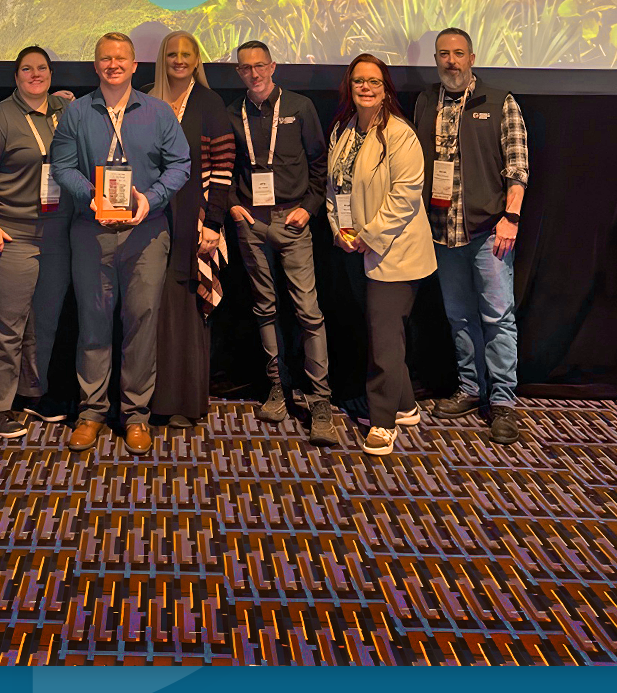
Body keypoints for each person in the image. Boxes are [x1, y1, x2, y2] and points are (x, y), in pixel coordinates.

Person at [50, 32, 191, 455]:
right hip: (91, 231)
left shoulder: (158, 112)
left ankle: (136, 416)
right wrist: (89, 194)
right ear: (96, 66)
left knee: (140, 324)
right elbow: (62, 165)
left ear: (134, 66)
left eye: (121, 58)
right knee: (92, 323)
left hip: (145, 234)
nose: (113, 64)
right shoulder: (76, 112)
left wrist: (152, 198)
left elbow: (180, 164)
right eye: (105, 58)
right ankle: (91, 412)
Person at [413, 28, 528, 445]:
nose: (451, 62)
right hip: (442, 235)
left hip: (487, 232)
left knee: (497, 318)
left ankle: (502, 402)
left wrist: (510, 217)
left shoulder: (500, 103)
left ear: (472, 57)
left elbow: (517, 168)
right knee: (459, 317)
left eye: (458, 54)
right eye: (443, 54)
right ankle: (470, 388)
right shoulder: (426, 102)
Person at [227, 40, 340, 445]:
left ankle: (320, 400)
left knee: (308, 310)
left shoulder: (299, 106)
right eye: (245, 69)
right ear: (238, 72)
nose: (254, 74)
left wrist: (309, 209)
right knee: (264, 307)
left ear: (273, 66)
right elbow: (224, 167)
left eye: (260, 66)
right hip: (251, 222)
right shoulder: (231, 113)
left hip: (293, 220)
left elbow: (319, 163)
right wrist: (235, 208)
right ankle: (278, 386)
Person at [327, 54, 436, 457]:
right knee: (382, 334)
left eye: (374, 81)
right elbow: (333, 187)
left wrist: (368, 236)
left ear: (386, 86)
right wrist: (339, 230)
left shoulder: (400, 134)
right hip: (355, 248)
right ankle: (405, 405)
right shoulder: (345, 127)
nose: (366, 88)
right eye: (359, 81)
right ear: (349, 87)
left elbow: (405, 196)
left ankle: (384, 423)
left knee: (383, 341)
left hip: (395, 251)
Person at [0, 46, 73, 438]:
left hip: (56, 236)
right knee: (6, 325)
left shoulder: (63, 112)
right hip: (11, 235)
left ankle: (32, 394)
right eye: (26, 69)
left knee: (43, 322)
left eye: (42, 68)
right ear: (15, 77)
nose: (35, 74)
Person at [148, 31, 236, 428]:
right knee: (151, 307)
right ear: (162, 58)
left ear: (197, 59)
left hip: (195, 220)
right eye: (172, 53)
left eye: (186, 54)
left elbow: (223, 167)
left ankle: (183, 402)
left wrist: (214, 224)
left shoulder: (209, 102)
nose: (179, 60)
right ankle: (149, 401)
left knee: (185, 307)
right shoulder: (146, 99)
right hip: (148, 219)